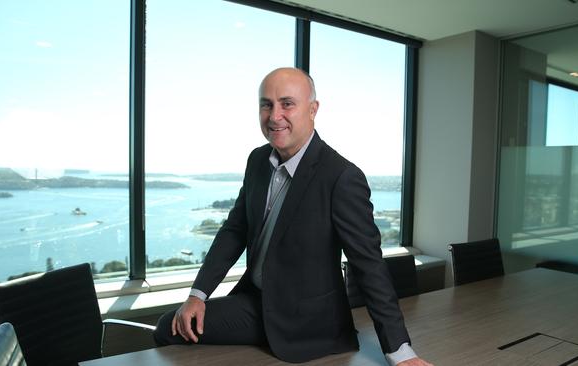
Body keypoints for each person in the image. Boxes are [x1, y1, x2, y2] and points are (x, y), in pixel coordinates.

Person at [154, 67, 432, 366]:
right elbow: (234, 230)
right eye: (266, 104)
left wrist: (400, 352)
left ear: (313, 110)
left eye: (287, 104)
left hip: (307, 321)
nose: (274, 116)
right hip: (256, 300)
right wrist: (198, 294)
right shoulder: (258, 160)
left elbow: (369, 265)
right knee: (172, 326)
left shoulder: (340, 176)